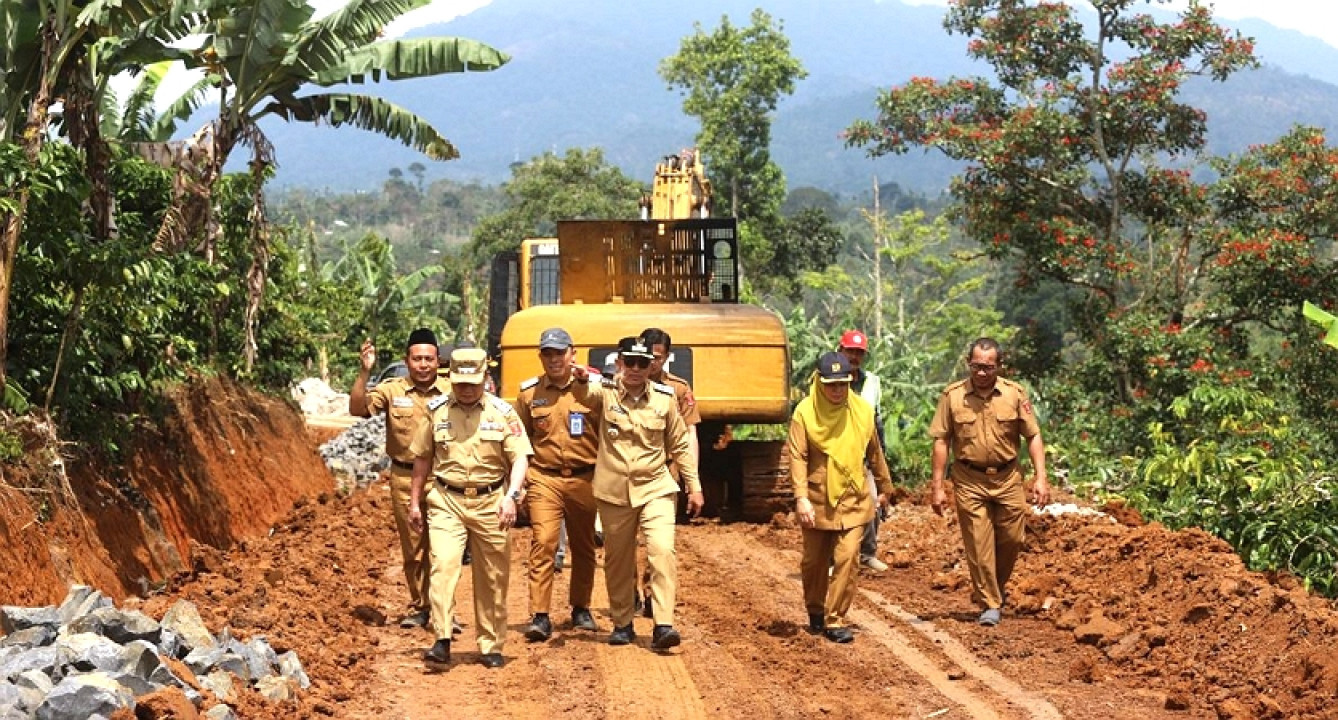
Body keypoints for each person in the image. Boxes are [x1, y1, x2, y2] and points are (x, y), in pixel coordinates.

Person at [408, 348, 533, 668]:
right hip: (446, 500)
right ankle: (442, 638)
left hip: (492, 501)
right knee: (443, 566)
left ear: (484, 379)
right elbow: (422, 458)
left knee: (492, 576)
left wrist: (512, 496)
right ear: (451, 379)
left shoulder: (503, 413)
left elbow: (519, 457)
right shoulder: (436, 412)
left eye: (473, 383)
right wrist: (415, 502)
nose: (466, 389)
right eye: (460, 382)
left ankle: (490, 644)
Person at [581, 336, 704, 650]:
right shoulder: (605, 393)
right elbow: (585, 392)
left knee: (662, 551)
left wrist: (695, 486)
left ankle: (663, 624)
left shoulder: (664, 399)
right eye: (629, 362)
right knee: (618, 560)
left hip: (655, 487)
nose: (635, 369)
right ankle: (623, 623)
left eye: (642, 363)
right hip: (614, 491)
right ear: (619, 363)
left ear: (652, 365)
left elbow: (679, 445)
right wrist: (579, 377)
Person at [928, 337, 1050, 627]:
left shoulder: (1014, 394)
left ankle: (993, 587)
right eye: (976, 366)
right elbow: (941, 440)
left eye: (988, 367)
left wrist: (1040, 477)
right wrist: (937, 486)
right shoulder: (953, 396)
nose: (981, 373)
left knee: (1013, 538)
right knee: (979, 543)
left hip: (1008, 477)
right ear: (968, 364)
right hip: (969, 479)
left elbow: (1032, 435)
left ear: (999, 366)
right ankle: (990, 604)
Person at [789, 351, 894, 643]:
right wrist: (801, 498)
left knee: (848, 558)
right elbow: (797, 456)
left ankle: (836, 619)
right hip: (817, 497)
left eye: (842, 384)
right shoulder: (805, 412)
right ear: (820, 382)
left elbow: (874, 452)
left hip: (854, 495)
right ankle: (815, 610)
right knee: (814, 562)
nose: (837, 390)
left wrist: (886, 488)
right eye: (831, 384)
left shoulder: (861, 411)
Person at [348, 328, 445, 630]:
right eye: (417, 359)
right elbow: (357, 409)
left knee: (443, 547)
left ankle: (443, 609)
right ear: (408, 360)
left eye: (429, 358)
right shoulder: (392, 390)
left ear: (438, 360)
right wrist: (365, 372)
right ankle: (421, 606)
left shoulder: (453, 391)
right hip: (404, 477)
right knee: (414, 547)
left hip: (443, 477)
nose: (424, 365)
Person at [515, 328, 601, 641]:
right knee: (544, 542)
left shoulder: (593, 391)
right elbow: (518, 438)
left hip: (585, 477)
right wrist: (520, 479)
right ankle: (540, 615)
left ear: (572, 354)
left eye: (559, 353)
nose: (554, 359)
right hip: (544, 477)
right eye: (547, 354)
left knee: (584, 545)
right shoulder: (529, 394)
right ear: (541, 356)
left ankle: (581, 607)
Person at [637, 327, 701, 617]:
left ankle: (653, 597)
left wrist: (692, 479)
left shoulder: (678, 389)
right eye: (647, 356)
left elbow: (690, 433)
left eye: (658, 358)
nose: (652, 363)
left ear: (667, 357)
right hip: (627, 474)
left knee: (660, 544)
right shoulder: (623, 384)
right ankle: (627, 595)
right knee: (623, 545)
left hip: (664, 475)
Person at [838, 329, 890, 574]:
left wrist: (881, 457)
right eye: (851, 351)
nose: (854, 357)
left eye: (859, 353)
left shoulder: (872, 382)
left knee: (871, 502)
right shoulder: (830, 377)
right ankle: (833, 558)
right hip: (836, 455)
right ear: (841, 350)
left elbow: (876, 421)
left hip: (863, 455)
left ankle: (867, 554)